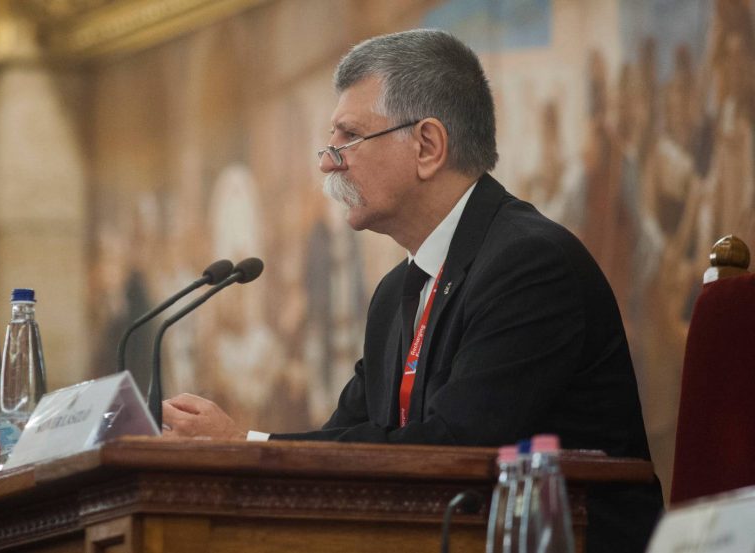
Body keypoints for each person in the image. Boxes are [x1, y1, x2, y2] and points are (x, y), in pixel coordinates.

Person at [162, 29, 663, 553]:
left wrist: (242, 447)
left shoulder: (530, 265)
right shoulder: (394, 295)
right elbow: (347, 438)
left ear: (427, 146)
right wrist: (242, 450)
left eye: (348, 137)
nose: (328, 161)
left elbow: (454, 449)